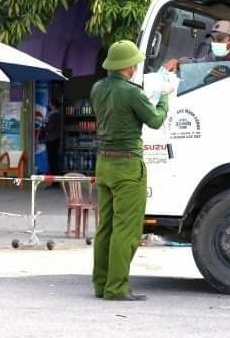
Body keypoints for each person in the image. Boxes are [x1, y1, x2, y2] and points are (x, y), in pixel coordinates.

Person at [91, 40, 169, 301]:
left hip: (103, 163)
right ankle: (116, 288)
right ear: (127, 67)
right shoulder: (132, 92)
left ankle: (101, 284)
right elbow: (156, 120)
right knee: (126, 229)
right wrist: (165, 97)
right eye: (134, 63)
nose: (136, 66)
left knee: (106, 227)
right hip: (127, 165)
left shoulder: (97, 88)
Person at [163, 20, 230, 73]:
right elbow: (197, 64)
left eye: (220, 39)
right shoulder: (214, 56)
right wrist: (178, 62)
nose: (215, 42)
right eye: (213, 38)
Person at [42, 99, 62, 179]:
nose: (49, 106)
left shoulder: (54, 115)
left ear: (53, 106)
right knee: (54, 159)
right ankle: (55, 179)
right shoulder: (55, 114)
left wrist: (43, 126)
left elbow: (50, 128)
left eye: (50, 104)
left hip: (52, 140)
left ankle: (55, 181)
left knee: (52, 160)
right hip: (54, 140)